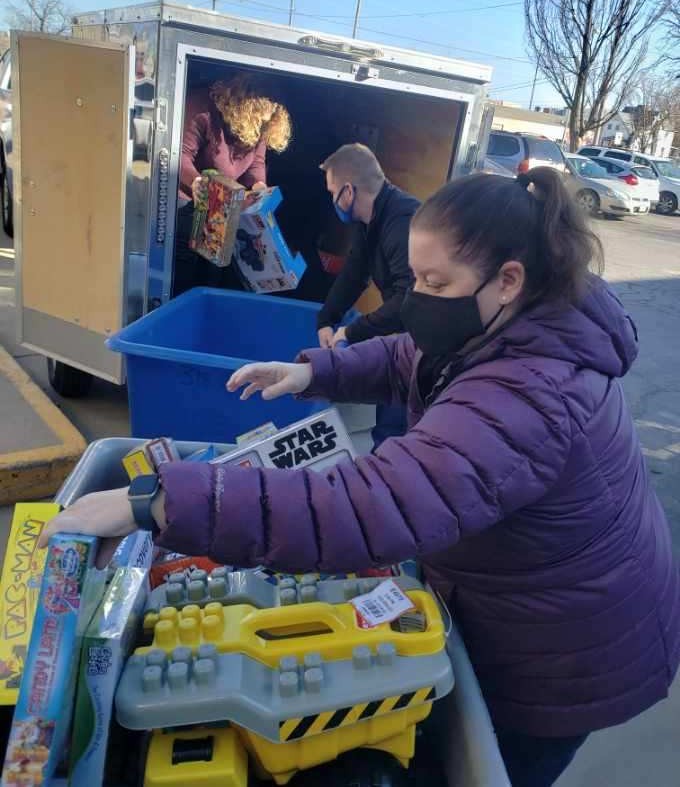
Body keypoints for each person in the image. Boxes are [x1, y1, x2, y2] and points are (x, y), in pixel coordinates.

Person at [40, 168, 680, 787]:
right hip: (519, 597)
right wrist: (315, 373)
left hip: (563, 655)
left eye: (434, 281)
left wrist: (155, 501)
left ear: (508, 280)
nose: (417, 299)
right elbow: (414, 355)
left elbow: (367, 507)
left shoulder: (531, 393)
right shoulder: (507, 322)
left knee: (495, 764)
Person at [317, 143, 420, 447]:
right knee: (386, 418)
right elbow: (354, 273)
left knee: (394, 430)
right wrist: (326, 319)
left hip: (422, 341)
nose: (331, 199)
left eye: (331, 191)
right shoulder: (371, 220)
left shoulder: (402, 221)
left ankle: (385, 482)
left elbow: (410, 299)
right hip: (402, 335)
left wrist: (352, 330)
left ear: (348, 191)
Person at [173, 74, 292, 295]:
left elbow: (256, 162)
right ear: (247, 104)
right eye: (261, 117)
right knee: (185, 275)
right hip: (189, 199)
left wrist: (259, 189)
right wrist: (196, 182)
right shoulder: (203, 109)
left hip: (223, 204)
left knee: (215, 273)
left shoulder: (261, 123)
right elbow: (179, 155)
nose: (265, 123)